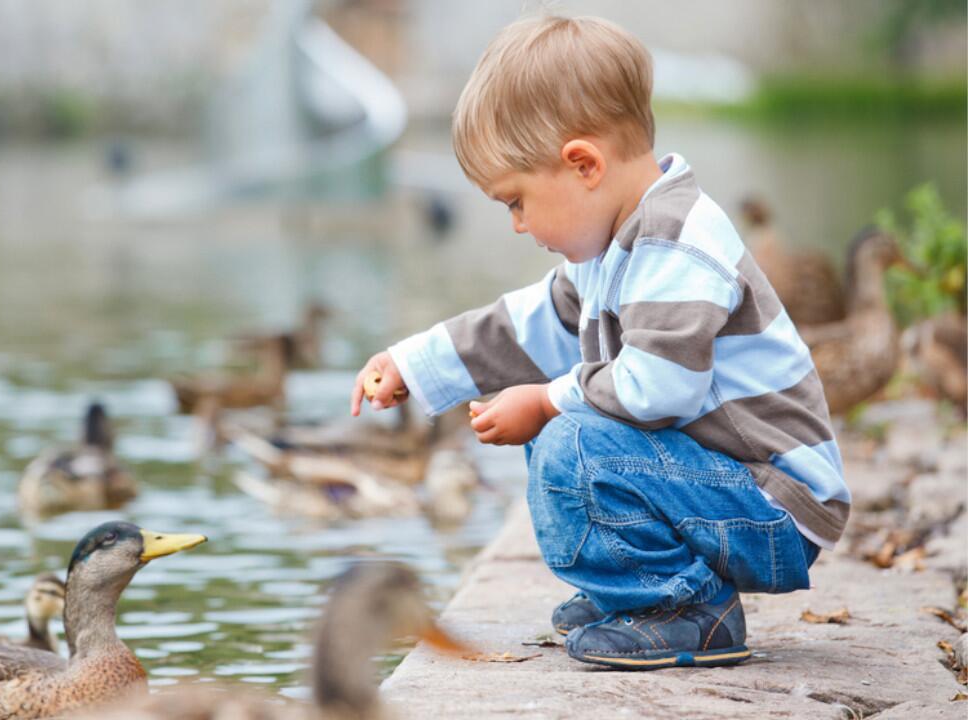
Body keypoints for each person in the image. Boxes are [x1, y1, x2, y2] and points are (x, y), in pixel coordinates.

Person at [349, 14, 848, 670]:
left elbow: (661, 388)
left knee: (572, 438)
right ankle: (643, 592)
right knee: (562, 429)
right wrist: (418, 361)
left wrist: (549, 400)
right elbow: (527, 326)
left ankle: (683, 608)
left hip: (775, 503)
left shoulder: (675, 243)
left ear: (582, 163)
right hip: (726, 488)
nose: (518, 226)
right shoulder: (611, 249)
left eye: (516, 202)